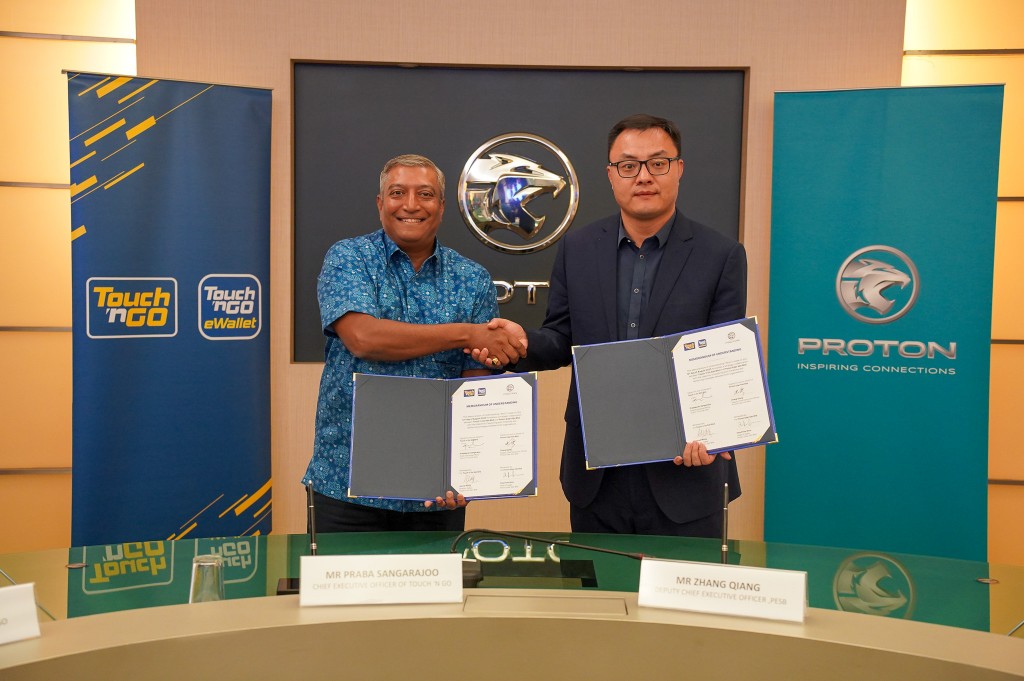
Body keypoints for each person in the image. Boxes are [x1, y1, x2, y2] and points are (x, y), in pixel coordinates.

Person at [476, 114, 747, 537]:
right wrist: (518, 345)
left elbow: (725, 360)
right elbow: (560, 339)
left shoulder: (721, 255)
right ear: (610, 174)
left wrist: (718, 432)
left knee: (680, 602)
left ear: (679, 169)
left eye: (658, 163)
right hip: (597, 474)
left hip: (686, 469)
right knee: (598, 599)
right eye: (628, 165)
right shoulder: (578, 249)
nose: (643, 176)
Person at [303, 153, 526, 533]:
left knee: (435, 596)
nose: (410, 205)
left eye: (424, 194)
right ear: (380, 203)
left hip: (437, 494)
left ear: (441, 206)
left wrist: (473, 472)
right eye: (397, 193)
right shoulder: (349, 258)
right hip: (346, 490)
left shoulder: (472, 279)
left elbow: (476, 385)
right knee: (345, 596)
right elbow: (363, 338)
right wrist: (465, 332)